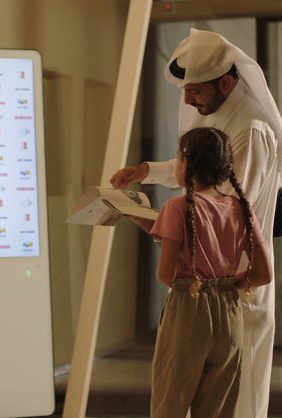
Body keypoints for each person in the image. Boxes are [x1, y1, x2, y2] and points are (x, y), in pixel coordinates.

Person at [110, 28, 282, 418]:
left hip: (233, 287)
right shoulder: (216, 114)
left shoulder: (251, 128)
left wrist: (152, 221)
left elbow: (226, 211)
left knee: (229, 398)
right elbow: (203, 175)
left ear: (226, 81)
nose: (188, 100)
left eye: (195, 92)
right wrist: (145, 170)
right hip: (218, 287)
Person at [137, 127, 272, 418]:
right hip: (230, 313)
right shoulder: (240, 208)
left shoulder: (177, 207)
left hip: (189, 310)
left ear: (186, 161)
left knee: (170, 403)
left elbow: (167, 275)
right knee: (218, 409)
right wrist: (226, 283)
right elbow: (263, 274)